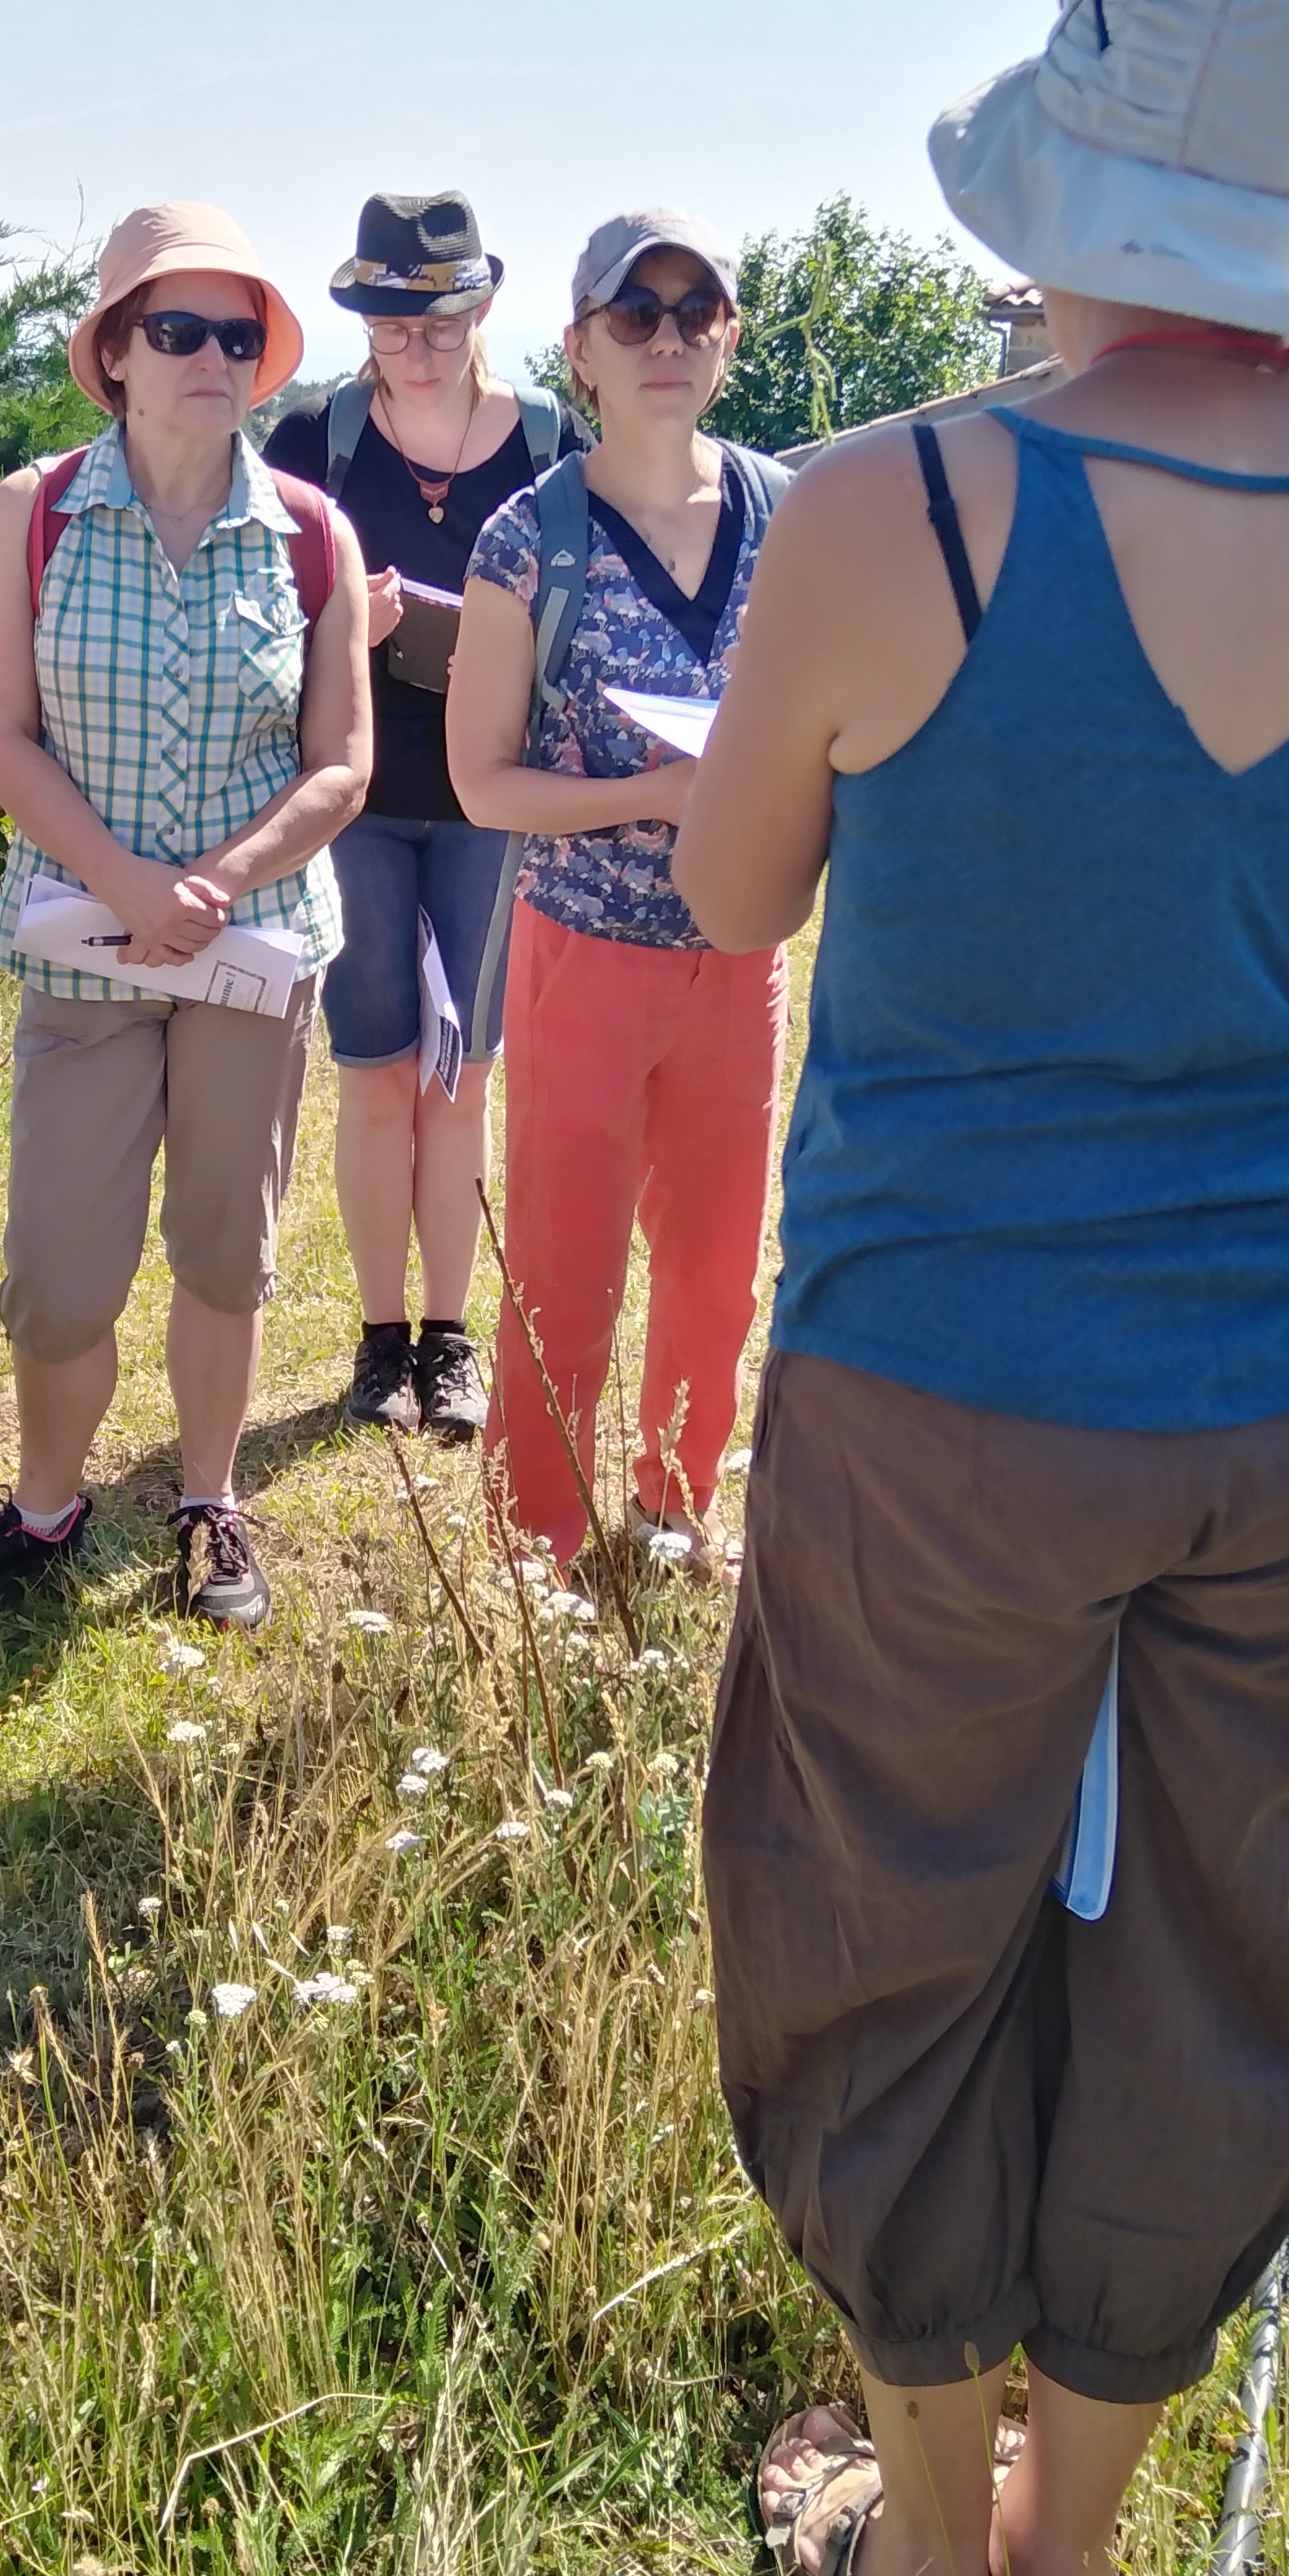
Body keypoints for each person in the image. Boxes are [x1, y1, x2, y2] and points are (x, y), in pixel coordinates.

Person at [677, 0, 1289, 2576]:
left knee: (884, 1921)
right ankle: (1079, 2567)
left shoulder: (901, 499)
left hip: (948, 1374)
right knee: (1224, 1957)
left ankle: (917, 2556)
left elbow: (736, 884)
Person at [0, 203, 369, 1634]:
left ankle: (210, 1502)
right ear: (115, 352)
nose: (213, 356)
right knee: (57, 1270)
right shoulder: (33, 514)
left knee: (227, 1248)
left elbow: (342, 761)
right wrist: (127, 885)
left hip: (254, 946)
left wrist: (212, 883)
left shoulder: (308, 533)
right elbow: (1, 734)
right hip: (87, 955)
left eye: (239, 333)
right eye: (179, 329)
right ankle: (45, 1510)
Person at [448, 210, 792, 1573]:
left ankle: (671, 1505)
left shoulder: (795, 514)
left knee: (716, 1271)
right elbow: (483, 783)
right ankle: (535, 1540)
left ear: (728, 339)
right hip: (583, 949)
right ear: (580, 348)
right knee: (564, 1263)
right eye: (632, 315)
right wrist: (650, 797)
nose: (666, 338)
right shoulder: (528, 539)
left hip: (743, 948)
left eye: (694, 311)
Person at [263, 192, 588, 1437]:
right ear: (362, 318)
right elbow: (258, 617)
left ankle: (449, 1341)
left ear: (483, 305)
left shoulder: (550, 443)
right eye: (392, 322)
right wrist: (351, 628)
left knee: (464, 1081)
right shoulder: (311, 441)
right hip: (356, 798)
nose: (417, 343)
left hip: (493, 802)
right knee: (377, 1078)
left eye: (440, 316)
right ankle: (380, 1339)